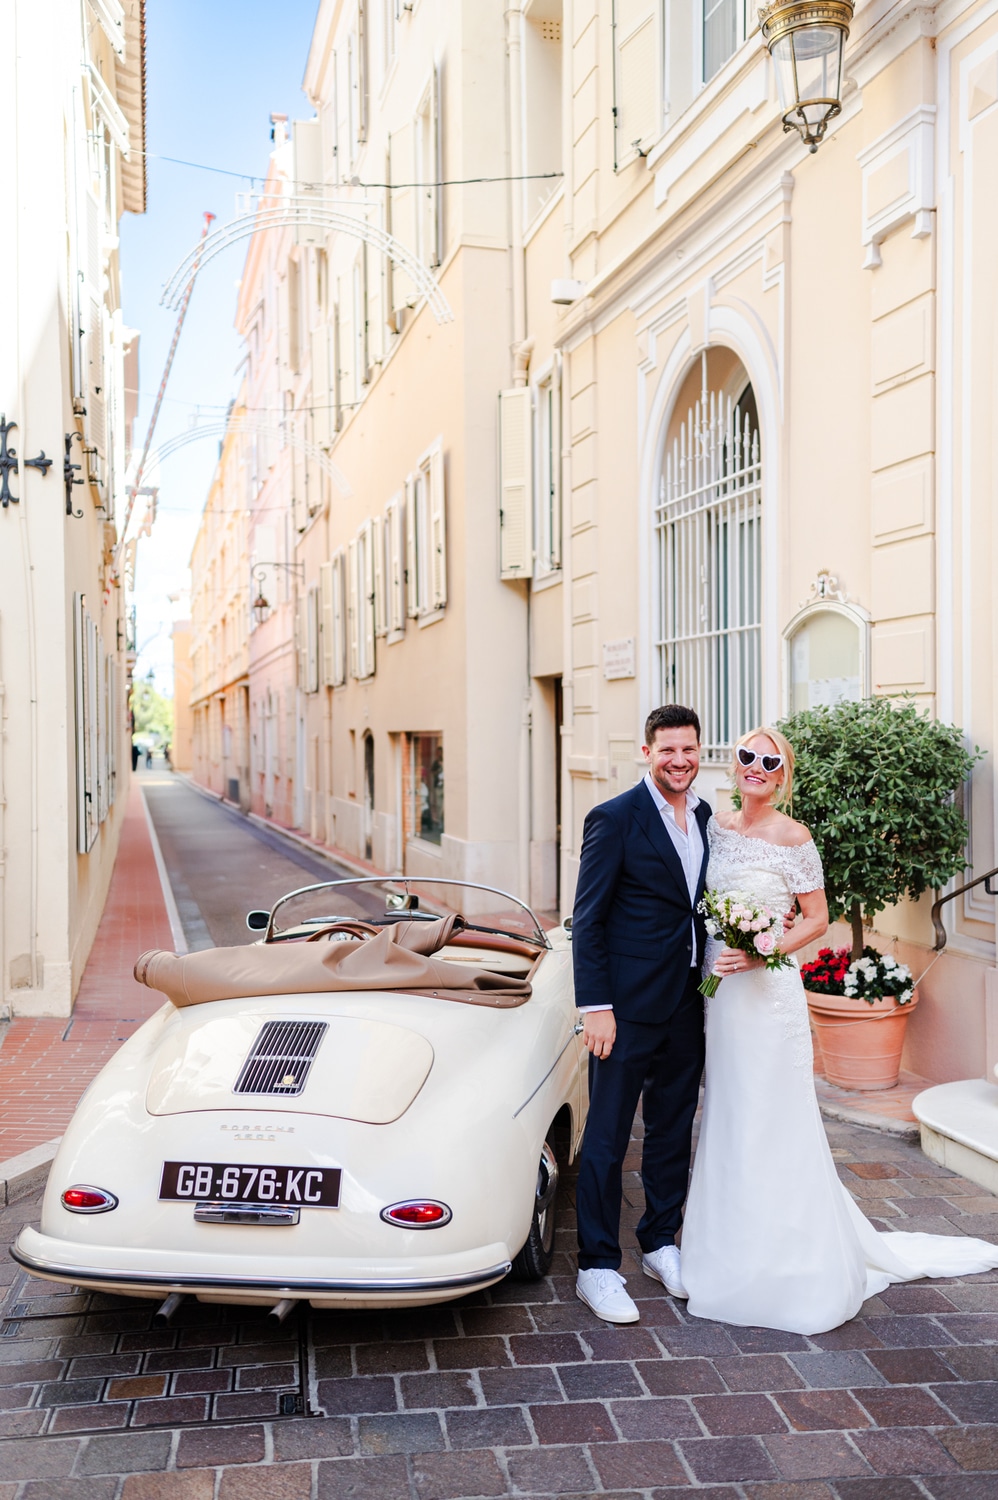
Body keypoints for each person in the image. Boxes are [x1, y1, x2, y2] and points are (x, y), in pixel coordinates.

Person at [680, 726, 998, 1334]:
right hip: (719, 1000)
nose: (756, 766)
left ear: (782, 775)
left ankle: (789, 1260)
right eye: (747, 755)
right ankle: (721, 1245)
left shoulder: (794, 836)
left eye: (769, 761)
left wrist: (763, 947)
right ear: (735, 766)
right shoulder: (714, 826)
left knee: (771, 1115)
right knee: (726, 1111)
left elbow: (817, 919)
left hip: (766, 996)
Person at [571, 704, 711, 1324]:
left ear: (699, 751)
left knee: (672, 1128)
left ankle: (659, 1241)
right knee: (605, 1135)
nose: (679, 760)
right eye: (667, 750)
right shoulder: (615, 818)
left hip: (686, 1000)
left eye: (689, 749)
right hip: (623, 1008)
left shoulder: (704, 816)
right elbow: (589, 921)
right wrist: (596, 1006)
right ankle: (597, 1267)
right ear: (647, 753)